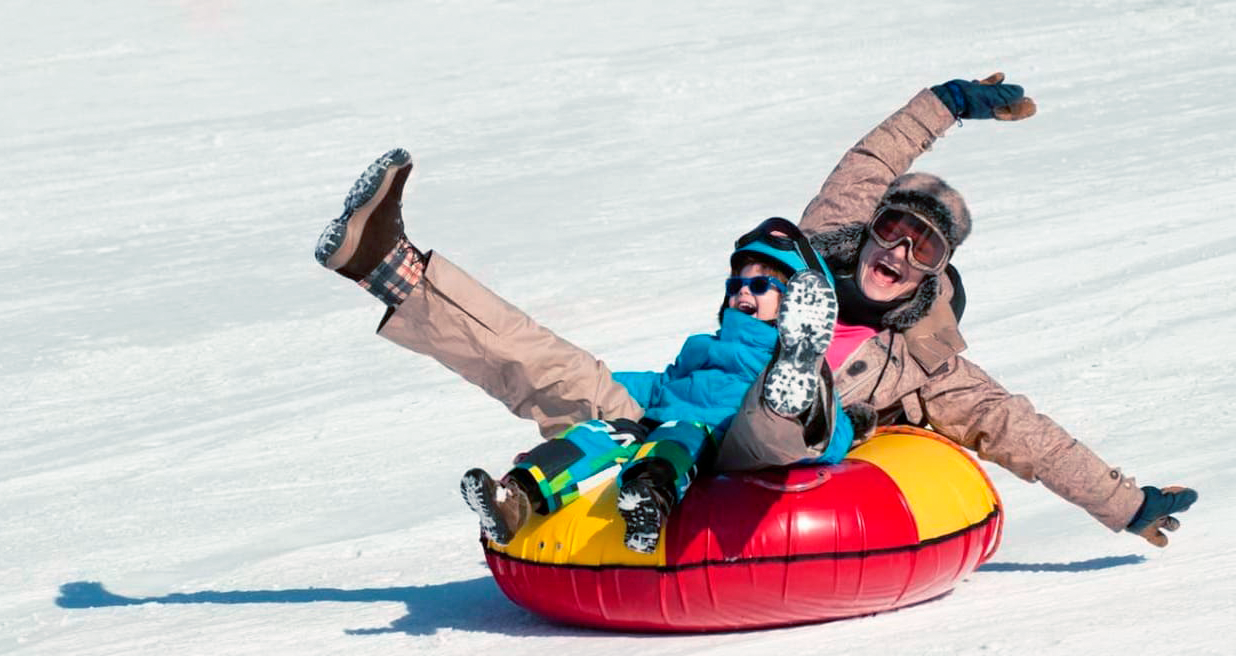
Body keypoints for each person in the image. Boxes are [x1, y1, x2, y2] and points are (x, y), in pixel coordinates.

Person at [315, 73, 1197, 548]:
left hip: (760, 445)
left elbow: (1029, 436)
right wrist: (952, 101)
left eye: (922, 248)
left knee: (784, 419)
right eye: (896, 228)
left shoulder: (928, 363)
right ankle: (386, 265)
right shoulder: (828, 235)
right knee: (561, 374)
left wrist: (1125, 503)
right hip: (686, 397)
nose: (895, 251)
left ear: (937, 271)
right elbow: (876, 151)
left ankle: (794, 371)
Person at [458, 219, 853, 553]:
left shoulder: (768, 363)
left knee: (678, 434)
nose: (743, 292)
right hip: (653, 427)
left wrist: (830, 423)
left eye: (761, 286)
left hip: (723, 438)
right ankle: (514, 500)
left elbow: (836, 435)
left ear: (792, 308)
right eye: (736, 286)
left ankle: (650, 501)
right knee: (596, 435)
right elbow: (659, 385)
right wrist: (599, 383)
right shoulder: (703, 349)